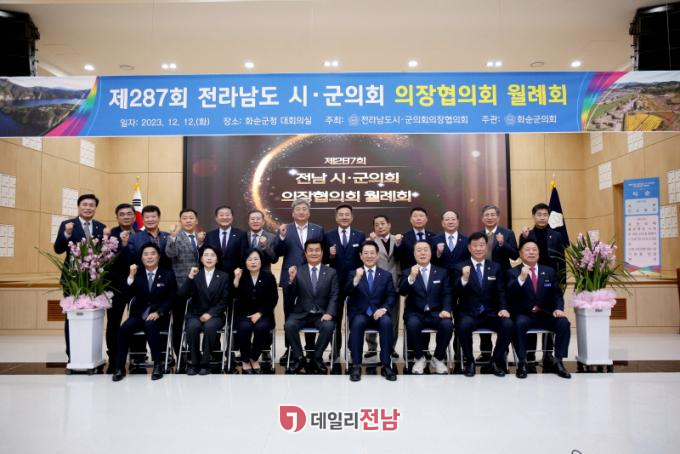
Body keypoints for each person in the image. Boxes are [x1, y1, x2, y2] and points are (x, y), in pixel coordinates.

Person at [506, 239, 571, 379]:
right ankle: (522, 362)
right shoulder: (512, 272)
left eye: (534, 249)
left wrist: (558, 308)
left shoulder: (549, 271)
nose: (531, 252)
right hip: (524, 314)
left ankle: (558, 361)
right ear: (520, 254)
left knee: (563, 322)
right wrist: (521, 278)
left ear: (539, 253)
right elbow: (509, 294)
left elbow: (557, 294)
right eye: (527, 249)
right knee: (519, 324)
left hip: (545, 313)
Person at [53, 193, 106, 363]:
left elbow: (105, 254)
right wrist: (66, 234)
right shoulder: (67, 225)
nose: (88, 208)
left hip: (94, 280)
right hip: (73, 280)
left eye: (92, 205)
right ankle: (73, 356)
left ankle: (92, 356)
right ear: (79, 206)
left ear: (95, 208)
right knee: (73, 317)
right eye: (85, 204)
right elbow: (58, 249)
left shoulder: (101, 227)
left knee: (94, 316)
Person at [113, 243, 176, 382]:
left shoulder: (168, 274)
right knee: (123, 329)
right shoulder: (137, 274)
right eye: (146, 254)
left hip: (159, 316)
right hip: (138, 315)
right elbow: (126, 295)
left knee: (150, 324)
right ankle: (119, 368)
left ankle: (158, 365)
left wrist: (159, 312)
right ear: (141, 258)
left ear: (158, 257)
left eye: (153, 254)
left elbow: (171, 299)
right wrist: (130, 277)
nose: (149, 257)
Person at [453, 232, 513, 378]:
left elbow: (501, 291)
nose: (478, 249)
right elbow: (455, 291)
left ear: (486, 247)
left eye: (481, 245)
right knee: (463, 326)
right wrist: (464, 279)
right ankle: (470, 361)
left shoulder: (496, 267)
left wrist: (503, 308)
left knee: (508, 324)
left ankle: (495, 360)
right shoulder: (459, 267)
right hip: (469, 312)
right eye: (475, 246)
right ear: (469, 248)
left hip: (491, 312)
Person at [274, 199, 325, 365]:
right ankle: (290, 349)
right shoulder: (285, 229)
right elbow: (276, 253)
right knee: (289, 313)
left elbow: (321, 253)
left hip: (312, 276)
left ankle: (310, 348)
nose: (301, 212)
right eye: (298, 209)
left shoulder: (318, 229)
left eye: (304, 209)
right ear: (293, 213)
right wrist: (281, 236)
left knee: (312, 310)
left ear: (309, 212)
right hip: (290, 276)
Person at [519, 202, 566, 367]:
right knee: (530, 312)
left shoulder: (556, 235)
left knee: (550, 313)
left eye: (545, 215)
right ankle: (530, 354)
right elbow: (520, 253)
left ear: (548, 216)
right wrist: (524, 238)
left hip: (549, 281)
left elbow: (562, 260)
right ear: (533, 216)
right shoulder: (527, 234)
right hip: (531, 279)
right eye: (539, 215)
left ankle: (548, 354)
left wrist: (562, 281)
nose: (542, 218)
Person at [399, 240, 454, 375]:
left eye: (425, 250)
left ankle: (438, 358)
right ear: (414, 254)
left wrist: (446, 309)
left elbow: (447, 293)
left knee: (447, 324)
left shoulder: (441, 272)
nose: (422, 253)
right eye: (419, 250)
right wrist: (411, 277)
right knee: (412, 324)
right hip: (415, 313)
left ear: (431, 253)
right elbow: (402, 292)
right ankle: (419, 358)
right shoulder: (408, 271)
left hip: (437, 313)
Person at [283, 239, 338, 374]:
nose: (314, 253)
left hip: (321, 314)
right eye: (311, 250)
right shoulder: (298, 270)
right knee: (289, 325)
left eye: (317, 250)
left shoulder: (331, 272)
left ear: (322, 252)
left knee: (329, 326)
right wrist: (291, 280)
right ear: (305, 253)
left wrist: (329, 313)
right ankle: (299, 358)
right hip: (301, 312)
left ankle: (316, 358)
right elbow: (290, 296)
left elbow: (334, 295)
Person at [345, 241, 398, 382]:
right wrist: (356, 279)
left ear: (377, 255)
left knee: (386, 323)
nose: (369, 256)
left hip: (379, 313)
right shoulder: (353, 273)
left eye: (372, 253)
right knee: (357, 323)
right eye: (366, 253)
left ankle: (386, 365)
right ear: (360, 256)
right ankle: (356, 365)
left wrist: (384, 309)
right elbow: (346, 292)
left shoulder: (386, 275)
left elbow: (391, 296)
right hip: (360, 313)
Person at [476, 204, 518, 362]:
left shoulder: (507, 233)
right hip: (482, 280)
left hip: (502, 281)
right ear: (482, 218)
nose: (490, 217)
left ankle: (502, 352)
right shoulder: (478, 235)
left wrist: (502, 243)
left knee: (502, 315)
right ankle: (485, 352)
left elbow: (515, 255)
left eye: (493, 214)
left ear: (498, 217)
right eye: (487, 215)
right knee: (483, 312)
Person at [178, 245, 229, 376]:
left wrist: (210, 314)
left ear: (217, 259)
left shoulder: (224, 276)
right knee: (192, 327)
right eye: (206, 255)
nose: (209, 258)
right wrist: (190, 277)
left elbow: (225, 300)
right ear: (201, 259)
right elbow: (182, 295)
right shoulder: (195, 274)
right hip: (195, 314)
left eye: (212, 255)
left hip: (215, 315)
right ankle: (194, 362)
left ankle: (205, 363)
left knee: (209, 327)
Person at [324, 204, 365, 361]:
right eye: (341, 214)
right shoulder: (328, 235)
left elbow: (364, 258)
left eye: (347, 214)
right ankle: (335, 350)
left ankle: (353, 349)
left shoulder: (360, 235)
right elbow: (323, 259)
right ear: (336, 217)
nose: (344, 217)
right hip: (335, 284)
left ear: (352, 217)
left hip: (355, 284)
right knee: (335, 318)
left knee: (355, 318)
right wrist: (329, 254)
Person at [431, 210, 470, 372]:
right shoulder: (434, 240)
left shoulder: (466, 240)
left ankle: (459, 353)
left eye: (453, 219)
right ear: (442, 223)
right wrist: (437, 253)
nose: (450, 222)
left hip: (462, 286)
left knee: (460, 321)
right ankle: (441, 355)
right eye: (447, 219)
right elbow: (429, 261)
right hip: (440, 288)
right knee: (444, 321)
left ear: (458, 221)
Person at [232, 248, 278, 374]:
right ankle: (245, 360)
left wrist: (260, 313)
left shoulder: (269, 277)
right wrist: (236, 279)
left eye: (256, 259)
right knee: (244, 328)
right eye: (250, 259)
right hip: (244, 314)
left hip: (264, 314)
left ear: (261, 261)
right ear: (245, 262)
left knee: (261, 328)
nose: (253, 262)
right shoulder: (241, 276)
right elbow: (234, 297)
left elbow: (273, 298)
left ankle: (254, 357)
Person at [166, 209, 205, 356]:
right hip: (180, 287)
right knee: (179, 322)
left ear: (196, 221)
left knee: (195, 322)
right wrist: (172, 237)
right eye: (185, 218)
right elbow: (170, 253)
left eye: (191, 218)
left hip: (200, 288)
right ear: (180, 221)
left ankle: (195, 353)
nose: (188, 220)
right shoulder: (175, 237)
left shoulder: (201, 237)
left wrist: (200, 244)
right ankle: (179, 354)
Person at [105, 203, 138, 372]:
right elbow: (107, 261)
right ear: (117, 217)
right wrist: (123, 245)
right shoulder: (109, 236)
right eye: (122, 214)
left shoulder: (140, 234)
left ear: (134, 216)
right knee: (113, 322)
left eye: (129, 214)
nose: (126, 217)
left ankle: (137, 357)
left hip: (137, 286)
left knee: (137, 321)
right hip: (115, 286)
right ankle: (114, 359)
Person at [366, 215, 402, 359]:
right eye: (377, 225)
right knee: (372, 314)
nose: (380, 227)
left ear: (389, 225)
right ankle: (372, 347)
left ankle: (391, 347)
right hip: (374, 285)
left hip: (394, 283)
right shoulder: (370, 242)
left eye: (383, 223)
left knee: (393, 318)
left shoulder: (398, 239)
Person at [204, 205, 247, 275]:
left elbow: (243, 256)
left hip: (235, 275)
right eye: (221, 215)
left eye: (227, 215)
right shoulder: (209, 235)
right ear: (216, 218)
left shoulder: (241, 234)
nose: (224, 217)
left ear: (232, 218)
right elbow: (205, 255)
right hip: (214, 274)